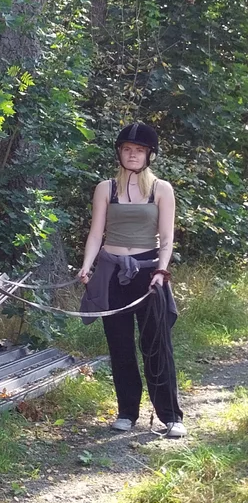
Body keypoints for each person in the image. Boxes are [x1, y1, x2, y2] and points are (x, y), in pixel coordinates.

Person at [77, 122, 185, 437]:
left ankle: (171, 416)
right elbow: (96, 233)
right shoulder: (105, 188)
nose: (133, 154)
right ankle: (127, 412)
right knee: (120, 346)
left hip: (149, 273)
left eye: (139, 150)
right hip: (112, 272)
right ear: (120, 153)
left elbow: (167, 237)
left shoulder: (162, 189)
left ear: (150, 154)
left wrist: (161, 271)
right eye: (127, 149)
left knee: (156, 345)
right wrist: (86, 266)